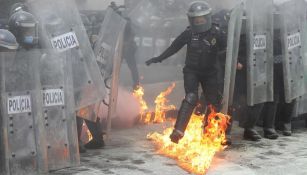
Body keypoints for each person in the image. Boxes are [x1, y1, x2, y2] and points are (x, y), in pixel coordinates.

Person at [146, 1, 227, 144]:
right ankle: (178, 131)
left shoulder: (217, 33)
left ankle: (210, 134)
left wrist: (236, 62)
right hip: (192, 71)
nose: (199, 21)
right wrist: (158, 59)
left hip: (210, 73)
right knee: (191, 97)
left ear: (207, 18)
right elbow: (173, 47)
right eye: (196, 19)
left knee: (214, 103)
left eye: (201, 18)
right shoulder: (189, 33)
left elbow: (228, 50)